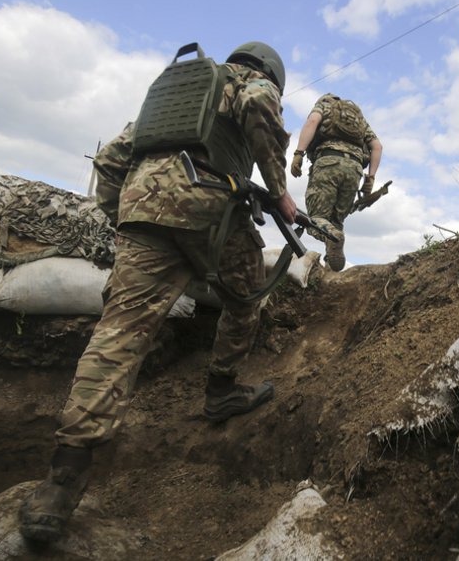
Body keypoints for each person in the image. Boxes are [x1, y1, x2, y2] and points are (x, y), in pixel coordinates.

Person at [18, 41, 297, 544]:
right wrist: (278, 190)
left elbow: (108, 160)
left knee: (118, 337)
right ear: (273, 74)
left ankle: (60, 484)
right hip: (209, 205)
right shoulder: (249, 84)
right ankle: (221, 390)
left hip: (140, 211)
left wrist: (124, 221)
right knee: (246, 294)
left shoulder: (173, 95)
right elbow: (258, 106)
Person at [290, 93, 382, 271]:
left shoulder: (324, 106)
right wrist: (370, 178)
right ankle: (330, 269)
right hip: (355, 170)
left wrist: (298, 153)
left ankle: (333, 237)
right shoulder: (359, 119)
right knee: (336, 222)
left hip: (328, 162)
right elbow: (377, 146)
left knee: (317, 219)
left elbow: (311, 123)